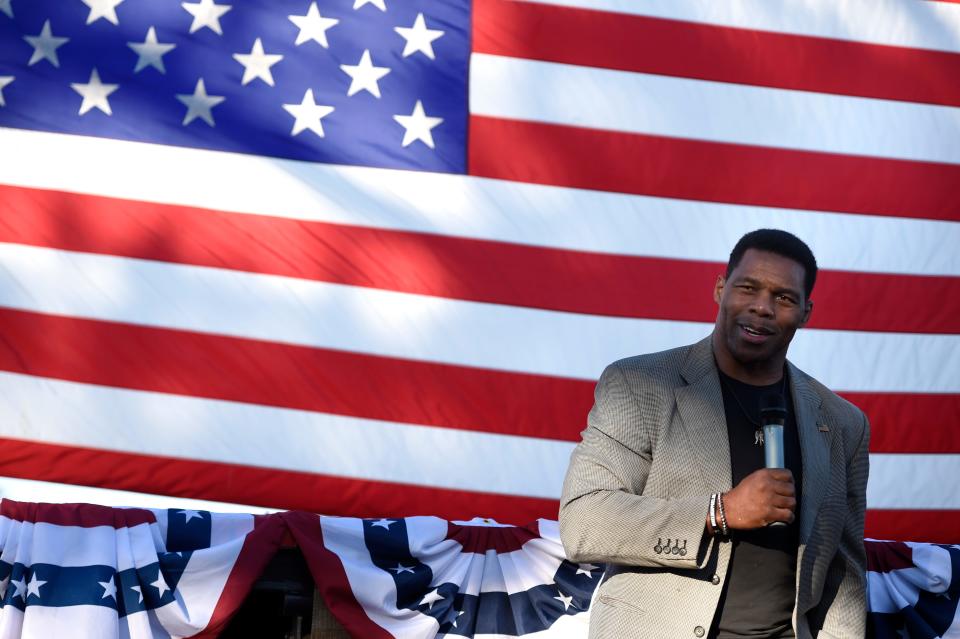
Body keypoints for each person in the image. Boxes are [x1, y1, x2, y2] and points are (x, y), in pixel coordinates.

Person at [559, 229, 869, 638]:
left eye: (784, 297)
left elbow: (842, 575)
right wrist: (718, 511)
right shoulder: (639, 383)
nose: (762, 307)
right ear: (721, 289)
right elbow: (584, 521)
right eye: (748, 288)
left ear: (806, 312)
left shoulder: (842, 422)